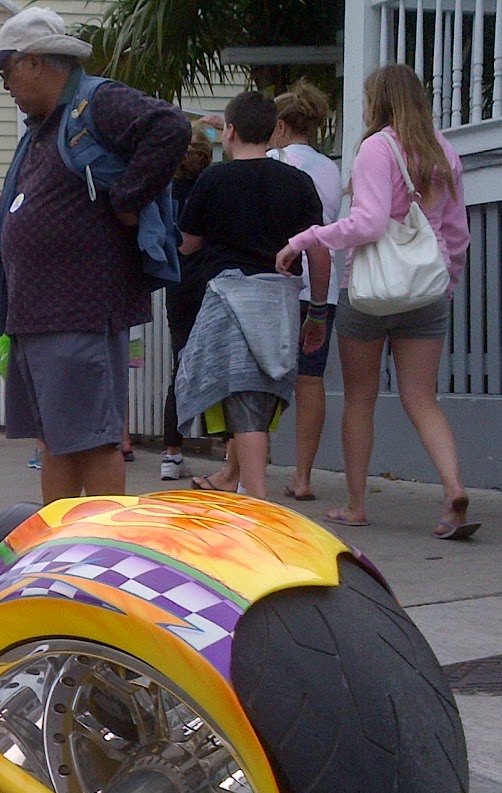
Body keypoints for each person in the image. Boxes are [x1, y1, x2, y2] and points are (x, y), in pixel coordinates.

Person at [0, 6, 189, 503]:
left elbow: (170, 127)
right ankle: (62, 555)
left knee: (93, 442)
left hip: (77, 313)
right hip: (41, 318)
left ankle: (102, 553)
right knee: (57, 443)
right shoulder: (44, 127)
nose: (5, 83)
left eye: (7, 70)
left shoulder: (97, 102)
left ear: (34, 63)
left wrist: (128, 197)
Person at [276, 64, 474, 539]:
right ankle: (453, 490)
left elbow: (367, 224)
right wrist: (446, 281)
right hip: (426, 290)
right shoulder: (443, 151)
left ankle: (356, 504)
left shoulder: (375, 148)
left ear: (378, 102)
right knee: (421, 398)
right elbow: (457, 233)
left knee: (360, 398)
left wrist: (307, 237)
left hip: (370, 293)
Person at [174, 90, 330, 500]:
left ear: (230, 131)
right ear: (274, 130)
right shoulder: (298, 182)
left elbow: (187, 244)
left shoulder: (213, 180)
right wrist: (317, 311)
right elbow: (318, 250)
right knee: (259, 398)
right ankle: (247, 489)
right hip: (280, 303)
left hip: (230, 301)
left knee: (243, 405)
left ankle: (256, 501)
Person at [268, 80, 344, 502]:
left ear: (280, 125)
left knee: (261, 377)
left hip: (279, 282)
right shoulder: (330, 168)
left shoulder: (275, 160)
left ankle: (239, 469)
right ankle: (303, 475)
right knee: (310, 378)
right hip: (322, 285)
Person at [158, 125, 217, 481]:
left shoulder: (167, 192)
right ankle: (228, 446)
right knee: (219, 366)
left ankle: (171, 451)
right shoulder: (213, 187)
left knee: (180, 364)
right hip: (210, 280)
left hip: (177, 283)